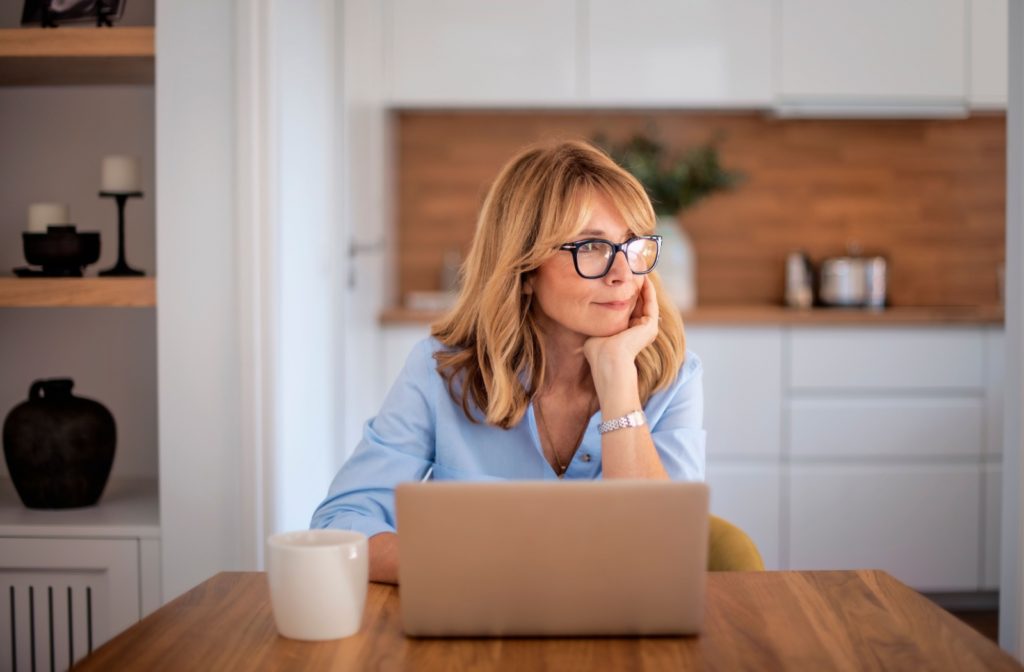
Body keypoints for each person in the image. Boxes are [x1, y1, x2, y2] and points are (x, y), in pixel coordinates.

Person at [311, 139, 706, 584]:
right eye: (590, 247)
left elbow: (663, 554)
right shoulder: (440, 370)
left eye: (633, 245)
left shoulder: (674, 375)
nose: (623, 273)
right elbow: (341, 523)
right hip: (475, 631)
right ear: (524, 272)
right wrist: (472, 571)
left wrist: (617, 380)